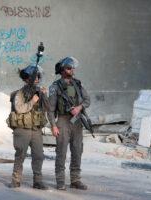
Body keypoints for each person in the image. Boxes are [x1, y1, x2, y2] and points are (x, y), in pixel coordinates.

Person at [47, 57, 90, 190]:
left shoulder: (77, 85)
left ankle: (75, 179)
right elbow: (51, 108)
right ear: (62, 70)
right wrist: (53, 125)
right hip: (63, 121)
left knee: (77, 150)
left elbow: (87, 100)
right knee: (61, 152)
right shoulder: (55, 87)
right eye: (69, 68)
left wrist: (79, 107)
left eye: (73, 68)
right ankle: (60, 181)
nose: (72, 70)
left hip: (76, 121)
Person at [7, 64, 48, 190]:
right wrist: (32, 101)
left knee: (39, 155)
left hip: (35, 129)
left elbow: (47, 108)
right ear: (27, 79)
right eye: (34, 77)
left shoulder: (39, 92)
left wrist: (44, 96)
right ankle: (16, 180)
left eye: (38, 77)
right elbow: (19, 108)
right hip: (22, 129)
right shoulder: (19, 93)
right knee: (20, 154)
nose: (37, 79)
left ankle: (38, 181)